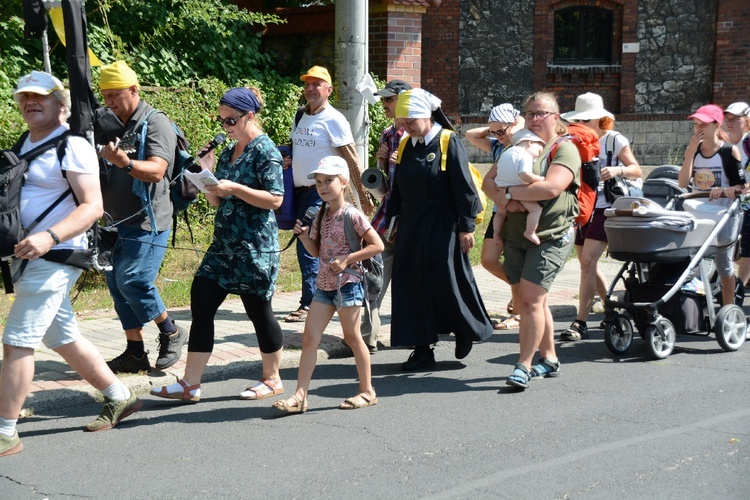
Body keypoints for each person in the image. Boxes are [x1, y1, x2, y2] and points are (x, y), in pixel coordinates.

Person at [0, 72, 141, 457]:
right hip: (27, 256)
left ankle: (4, 431)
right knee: (58, 335)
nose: (30, 102)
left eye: (40, 97)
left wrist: (49, 236)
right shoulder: (26, 143)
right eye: (24, 96)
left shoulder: (73, 145)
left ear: (61, 106)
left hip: (57, 254)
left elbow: (92, 206)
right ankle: (120, 396)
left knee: (16, 343)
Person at [151, 87, 285, 402]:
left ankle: (273, 378)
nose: (224, 126)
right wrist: (203, 174)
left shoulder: (266, 151)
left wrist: (236, 187)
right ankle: (190, 383)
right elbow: (216, 200)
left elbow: (276, 199)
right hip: (224, 244)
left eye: (231, 120)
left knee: (258, 310)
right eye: (222, 119)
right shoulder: (228, 150)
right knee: (202, 299)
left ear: (249, 116)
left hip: (254, 246)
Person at [386, 88, 494, 371]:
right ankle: (421, 349)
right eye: (402, 122)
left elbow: (464, 187)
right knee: (410, 283)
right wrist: (393, 220)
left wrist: (466, 226)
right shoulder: (407, 144)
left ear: (426, 115)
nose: (405, 127)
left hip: (444, 221)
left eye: (410, 121)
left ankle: (464, 329)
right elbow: (398, 188)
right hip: (411, 221)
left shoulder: (448, 142)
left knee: (445, 278)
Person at [273, 156, 383, 413]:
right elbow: (316, 251)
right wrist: (302, 236)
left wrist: (347, 259)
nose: (322, 186)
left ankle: (367, 391)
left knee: (353, 337)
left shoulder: (352, 214)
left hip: (348, 284)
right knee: (310, 339)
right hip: (324, 286)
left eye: (329, 181)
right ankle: (300, 396)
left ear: (344, 182)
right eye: (319, 182)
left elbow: (377, 245)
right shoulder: (320, 213)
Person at [97, 60, 186, 373]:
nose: (108, 101)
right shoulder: (110, 122)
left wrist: (123, 162)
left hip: (148, 220)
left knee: (133, 279)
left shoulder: (155, 121)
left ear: (133, 90)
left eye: (115, 94)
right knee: (116, 284)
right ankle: (135, 352)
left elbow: (159, 170)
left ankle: (171, 331)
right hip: (114, 222)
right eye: (105, 94)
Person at [496, 91, 580, 390]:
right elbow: (489, 183)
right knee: (533, 301)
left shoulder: (564, 149)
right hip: (516, 235)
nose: (534, 118)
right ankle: (550, 358)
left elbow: (550, 189)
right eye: (530, 113)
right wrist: (505, 194)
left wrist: (508, 194)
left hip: (551, 236)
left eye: (541, 113)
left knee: (530, 300)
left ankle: (524, 364)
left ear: (555, 118)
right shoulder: (518, 145)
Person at [284, 65, 373, 324]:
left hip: (320, 192)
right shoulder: (301, 116)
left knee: (307, 243)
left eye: (317, 84)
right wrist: (288, 158)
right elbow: (296, 147)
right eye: (308, 84)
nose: (311, 89)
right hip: (299, 191)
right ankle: (319, 298)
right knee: (305, 241)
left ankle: (309, 303)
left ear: (329, 90)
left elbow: (351, 158)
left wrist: (362, 195)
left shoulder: (334, 119)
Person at [559, 92, 642, 341]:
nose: (581, 124)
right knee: (588, 264)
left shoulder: (614, 139)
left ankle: (580, 322)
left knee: (587, 262)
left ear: (598, 119)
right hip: (581, 206)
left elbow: (636, 169)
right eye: (579, 120)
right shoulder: (572, 140)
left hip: (605, 207)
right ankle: (611, 308)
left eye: (586, 120)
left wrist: (617, 169)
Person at [358, 79, 412, 354]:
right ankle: (368, 336)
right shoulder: (388, 134)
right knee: (375, 276)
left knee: (411, 280)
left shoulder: (420, 135)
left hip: (412, 219)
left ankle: (414, 336)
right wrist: (380, 164)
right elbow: (387, 189)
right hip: (387, 217)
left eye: (389, 100)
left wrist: (403, 164)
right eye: (383, 100)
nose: (384, 105)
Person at [678, 104, 743, 308]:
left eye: (703, 125)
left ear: (716, 125)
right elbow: (682, 183)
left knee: (724, 265)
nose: (698, 129)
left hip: (724, 212)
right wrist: (689, 153)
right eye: (696, 125)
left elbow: (741, 186)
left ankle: (728, 308)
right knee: (692, 258)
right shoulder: (695, 151)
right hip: (699, 211)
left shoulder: (728, 151)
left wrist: (725, 190)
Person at [472, 104, 525, 330]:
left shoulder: (523, 144)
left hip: (518, 211)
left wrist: (515, 126)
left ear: (514, 125)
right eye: (494, 133)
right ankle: (524, 292)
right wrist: (496, 130)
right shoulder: (497, 145)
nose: (497, 136)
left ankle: (521, 311)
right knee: (488, 260)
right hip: (498, 211)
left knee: (513, 261)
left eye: (500, 132)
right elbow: (470, 134)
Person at [492, 129, 546, 245]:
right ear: (530, 142)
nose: (537, 157)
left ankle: (496, 233)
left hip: (501, 188)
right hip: (518, 189)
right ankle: (530, 231)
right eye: (540, 150)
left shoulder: (506, 152)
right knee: (535, 209)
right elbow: (525, 175)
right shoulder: (525, 155)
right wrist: (540, 179)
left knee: (500, 212)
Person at [723, 102, 750, 287]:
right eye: (727, 119)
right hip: (735, 201)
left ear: (747, 122)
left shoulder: (748, 142)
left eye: (735, 119)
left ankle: (738, 289)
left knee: (746, 243)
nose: (730, 122)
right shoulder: (726, 144)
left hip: (746, 202)